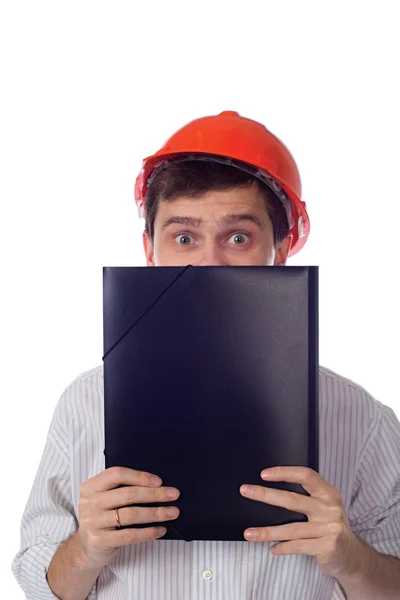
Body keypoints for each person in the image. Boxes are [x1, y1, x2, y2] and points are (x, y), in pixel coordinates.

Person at [12, 111, 400, 600]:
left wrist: (352, 557)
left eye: (238, 237)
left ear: (280, 250)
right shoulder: (85, 403)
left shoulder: (360, 419)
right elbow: (36, 578)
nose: (208, 262)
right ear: (150, 250)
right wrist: (85, 549)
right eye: (184, 237)